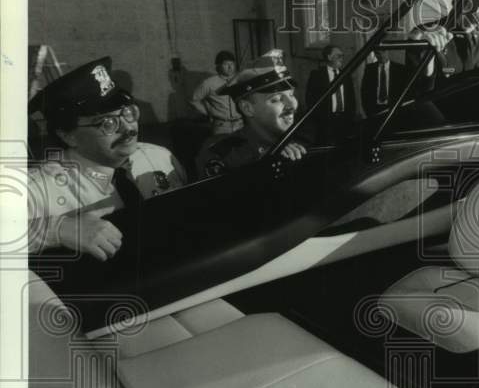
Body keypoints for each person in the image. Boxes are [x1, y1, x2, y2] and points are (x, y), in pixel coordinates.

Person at [27, 56, 186, 261]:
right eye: (108, 123)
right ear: (69, 135)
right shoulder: (39, 189)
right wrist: (59, 229)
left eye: (128, 113)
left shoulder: (161, 157)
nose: (128, 128)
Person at [195, 49, 307, 178]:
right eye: (276, 99)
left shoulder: (299, 144)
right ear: (247, 108)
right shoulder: (223, 155)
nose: (292, 105)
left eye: (291, 95)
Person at [304, 44, 356, 144]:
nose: (342, 58)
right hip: (325, 121)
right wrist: (318, 119)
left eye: (342, 56)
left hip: (344, 120)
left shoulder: (346, 74)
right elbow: (310, 99)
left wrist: (350, 117)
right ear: (329, 57)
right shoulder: (317, 75)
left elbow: (351, 99)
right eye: (338, 56)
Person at [189, 50, 242, 134]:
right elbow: (194, 100)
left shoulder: (240, 80)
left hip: (240, 124)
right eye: (225, 64)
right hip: (221, 126)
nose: (230, 67)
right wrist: (208, 113)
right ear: (218, 66)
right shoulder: (208, 83)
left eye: (232, 64)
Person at [361, 50, 406, 117]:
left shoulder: (400, 69)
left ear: (388, 51)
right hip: (374, 110)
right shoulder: (369, 69)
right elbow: (364, 91)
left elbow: (404, 91)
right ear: (375, 54)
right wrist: (368, 111)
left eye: (384, 51)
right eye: (378, 53)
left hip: (394, 110)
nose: (381, 55)